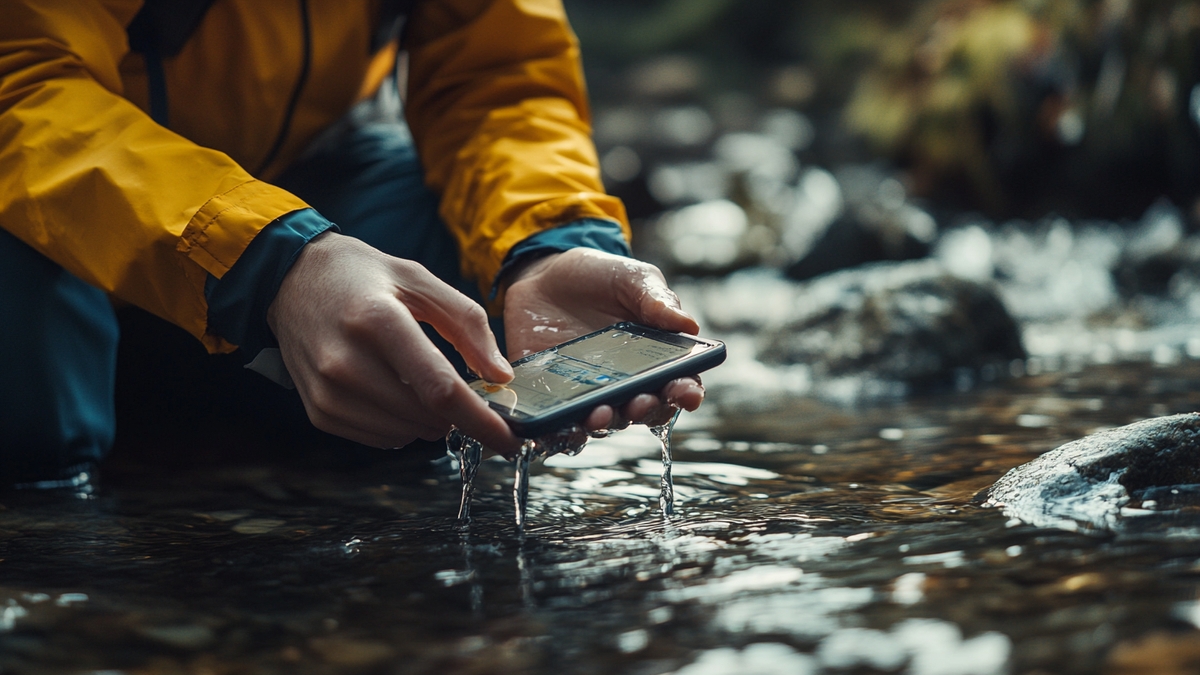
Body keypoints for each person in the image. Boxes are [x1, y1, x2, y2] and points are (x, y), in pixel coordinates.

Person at [0, 0, 705, 487]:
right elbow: (18, 83)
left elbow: (498, 77)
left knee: (467, 311)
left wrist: (545, 244)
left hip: (295, 181)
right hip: (60, 218)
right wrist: (272, 263)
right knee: (27, 403)